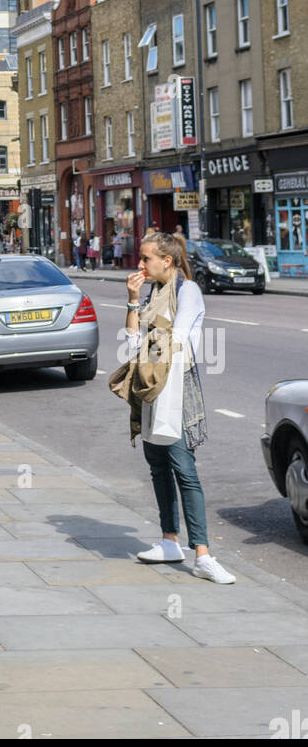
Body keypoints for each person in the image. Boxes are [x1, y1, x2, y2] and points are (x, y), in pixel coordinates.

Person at [112, 230, 235, 584]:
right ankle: (169, 541)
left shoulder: (187, 291)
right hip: (151, 386)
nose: (140, 264)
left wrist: (147, 345)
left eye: (146, 258)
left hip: (176, 387)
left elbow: (178, 342)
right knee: (158, 466)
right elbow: (130, 342)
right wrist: (133, 301)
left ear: (166, 260)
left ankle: (203, 555)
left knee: (184, 468)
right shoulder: (152, 291)